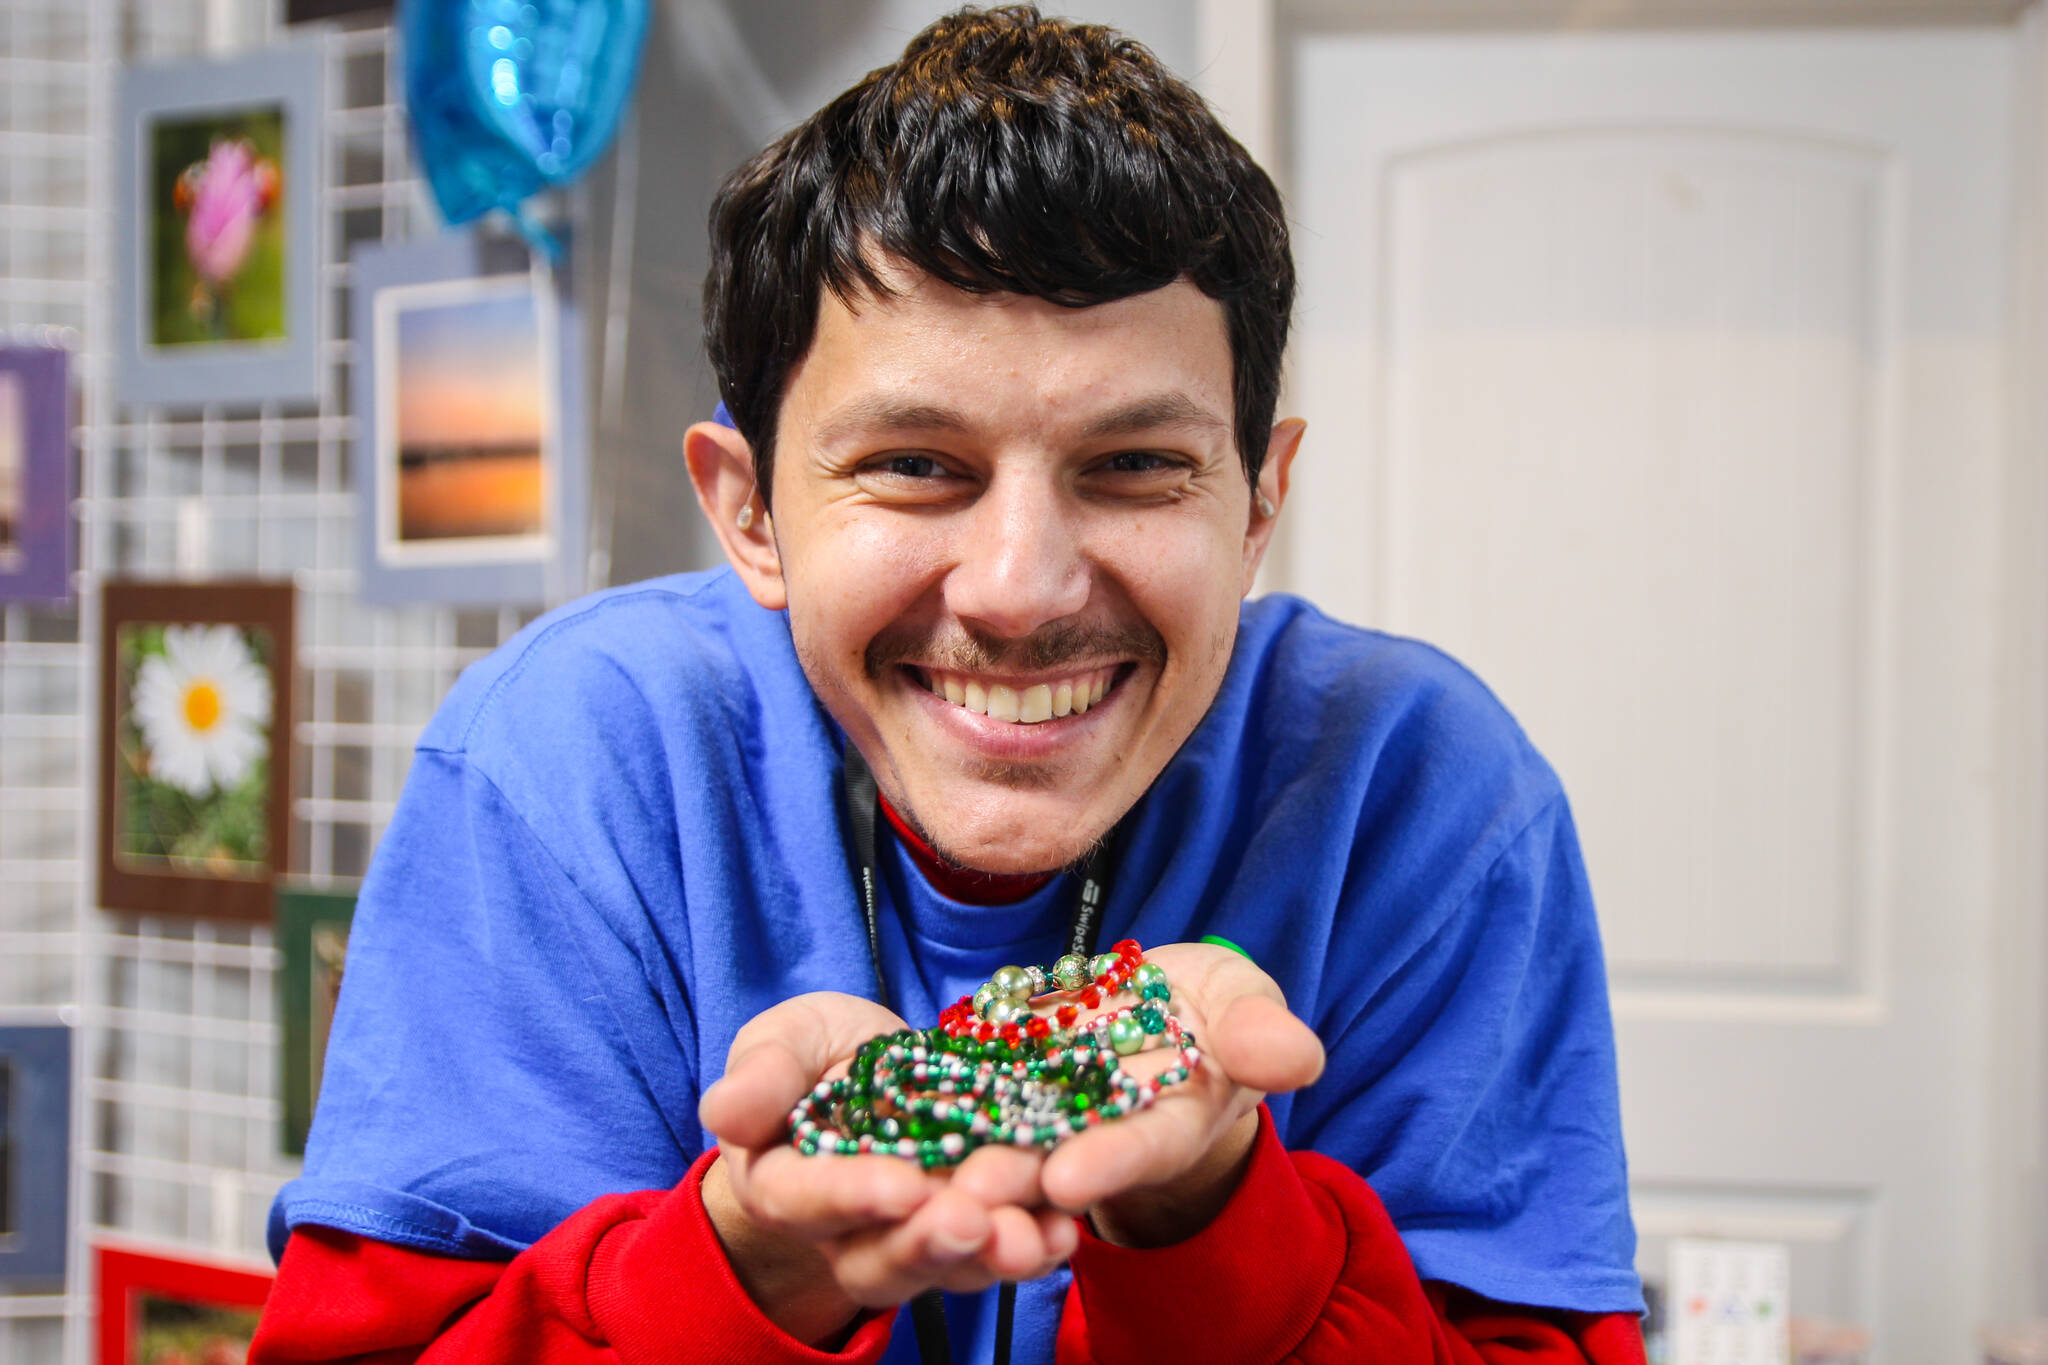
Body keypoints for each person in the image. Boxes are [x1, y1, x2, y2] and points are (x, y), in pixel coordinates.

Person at [249, 8, 1644, 1364]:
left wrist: (1217, 1222)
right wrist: (738, 1274)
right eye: (916, 465)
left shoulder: (1423, 795)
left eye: (1137, 465)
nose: (1021, 587)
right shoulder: (570, 762)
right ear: (748, 511)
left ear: (1257, 499)